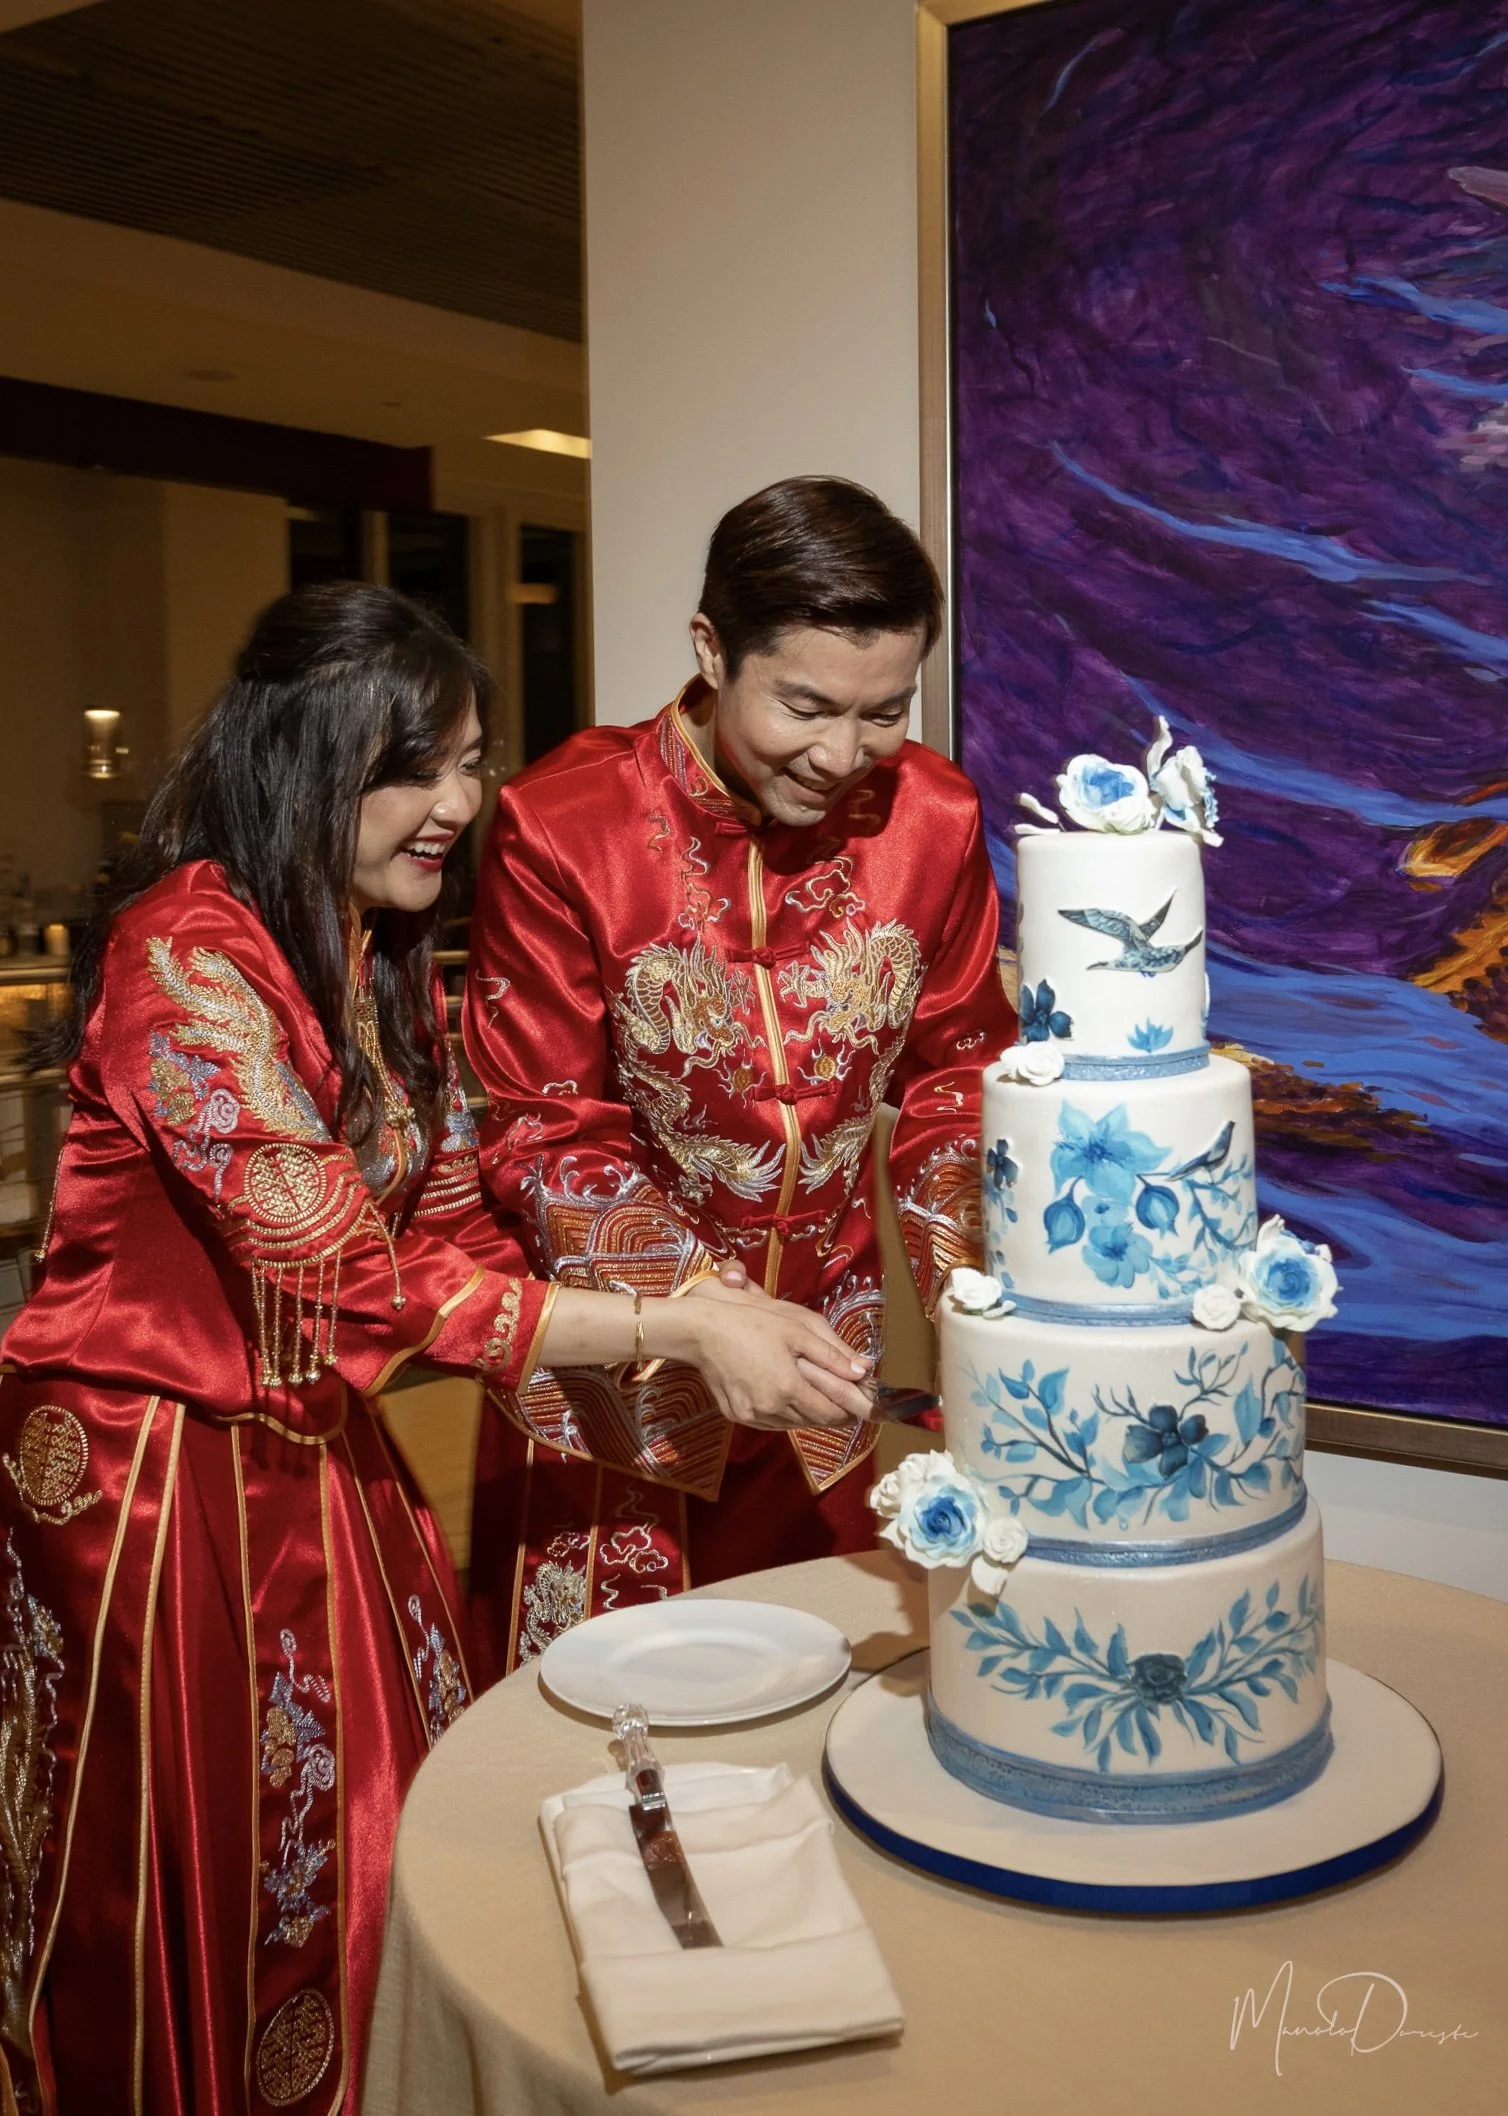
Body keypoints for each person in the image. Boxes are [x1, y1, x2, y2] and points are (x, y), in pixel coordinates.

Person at [0, 584, 871, 2116]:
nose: (460, 808)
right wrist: (681, 1320)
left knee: (375, 1830)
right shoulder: (187, 963)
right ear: (313, 757)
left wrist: (687, 1333)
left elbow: (456, 1228)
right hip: (156, 1488)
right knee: (213, 1867)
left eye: (470, 765)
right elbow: (349, 1281)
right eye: (424, 770)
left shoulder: (365, 949)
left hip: (317, 1460)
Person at [463, 477, 1017, 1675]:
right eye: (807, 705)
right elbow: (545, 1130)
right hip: (612, 1380)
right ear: (713, 649)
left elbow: (957, 1078)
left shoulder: (934, 817)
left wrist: (984, 1320)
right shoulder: (561, 824)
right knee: (610, 1746)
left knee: (821, 1699)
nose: (843, 755)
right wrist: (708, 1316)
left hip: (825, 1372)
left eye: (885, 712)